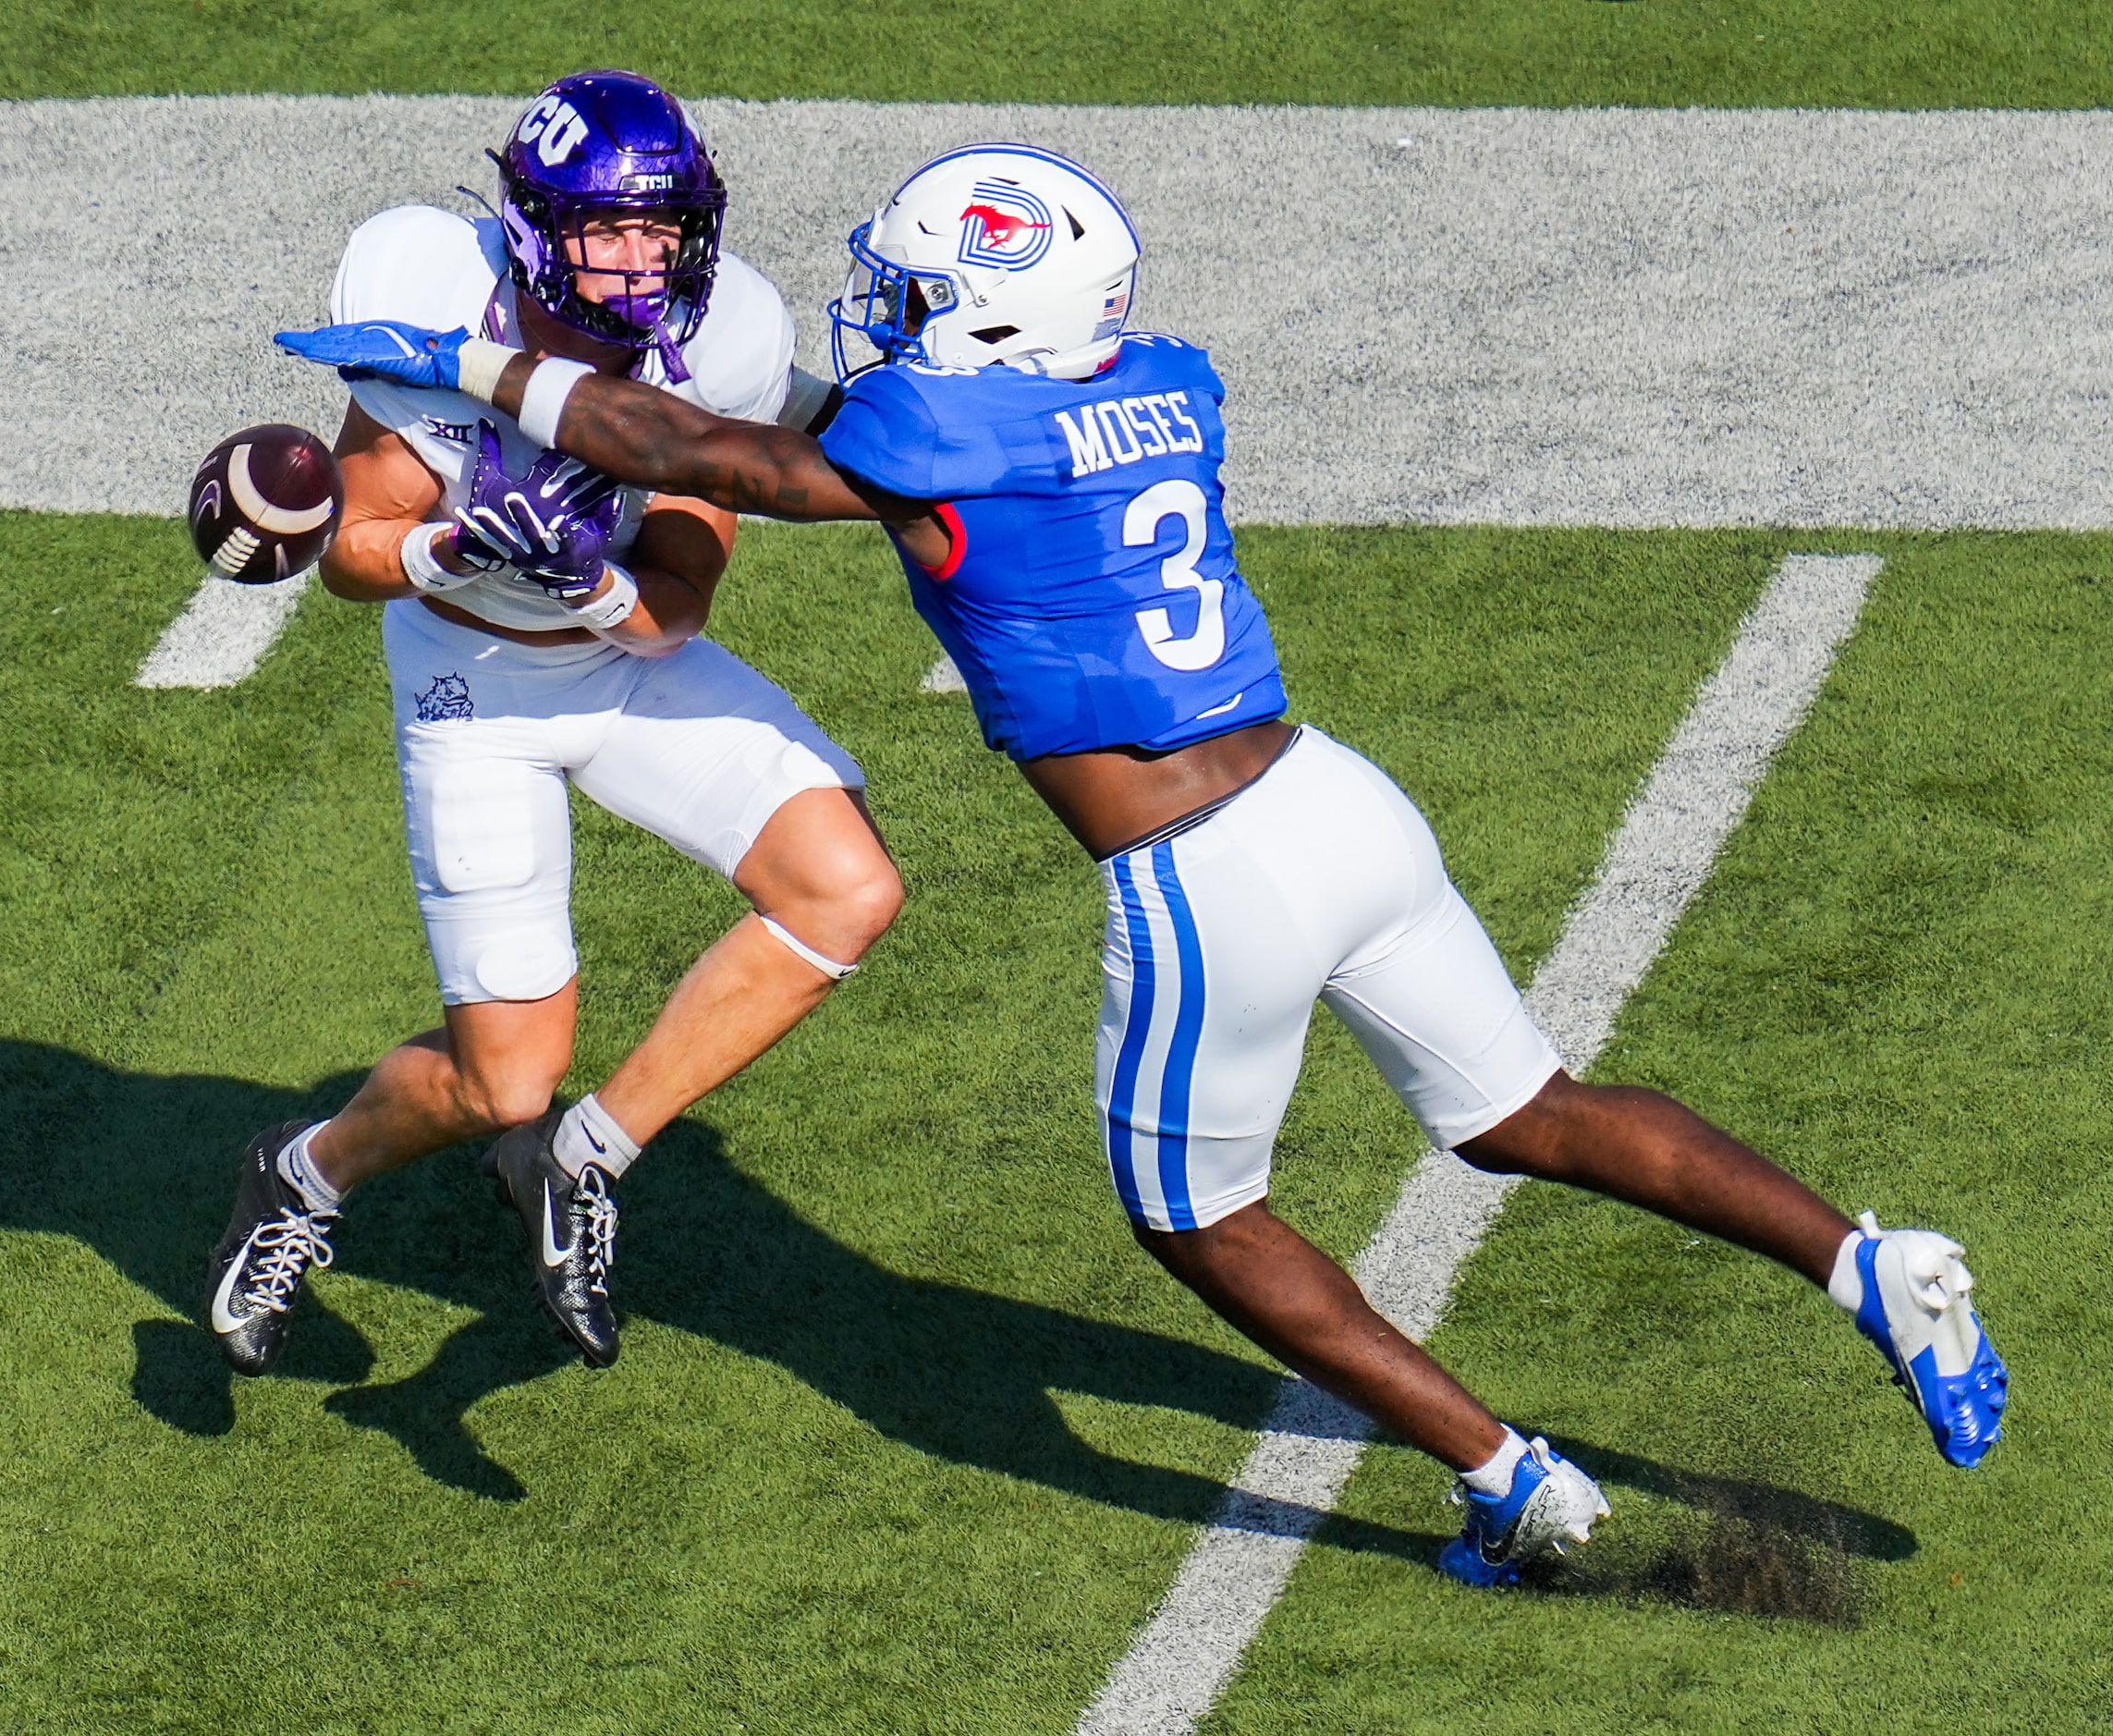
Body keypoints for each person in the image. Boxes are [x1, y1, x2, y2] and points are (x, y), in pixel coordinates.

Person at [276, 143, 2007, 1585]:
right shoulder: (1164, 380)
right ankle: (1867, 1258)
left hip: (1202, 873)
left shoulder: (944, 434)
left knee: (1200, 1220)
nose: (883, 313)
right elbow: (830, 443)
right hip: (1337, 798)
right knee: (1524, 1108)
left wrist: (466, 363)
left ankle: (1505, 1479)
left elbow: (679, 453)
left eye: (917, 290)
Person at [204, 71, 900, 1380]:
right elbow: (354, 553)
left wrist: (599, 587)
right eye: (608, 232)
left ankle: (580, 1157)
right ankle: (299, 1174)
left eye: (664, 230)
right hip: (473, 693)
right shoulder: (430, 292)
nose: (643, 263)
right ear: (531, 228)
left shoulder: (726, 331)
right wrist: (454, 547)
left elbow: (681, 604)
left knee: (845, 890)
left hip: (624, 667)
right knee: (499, 1079)